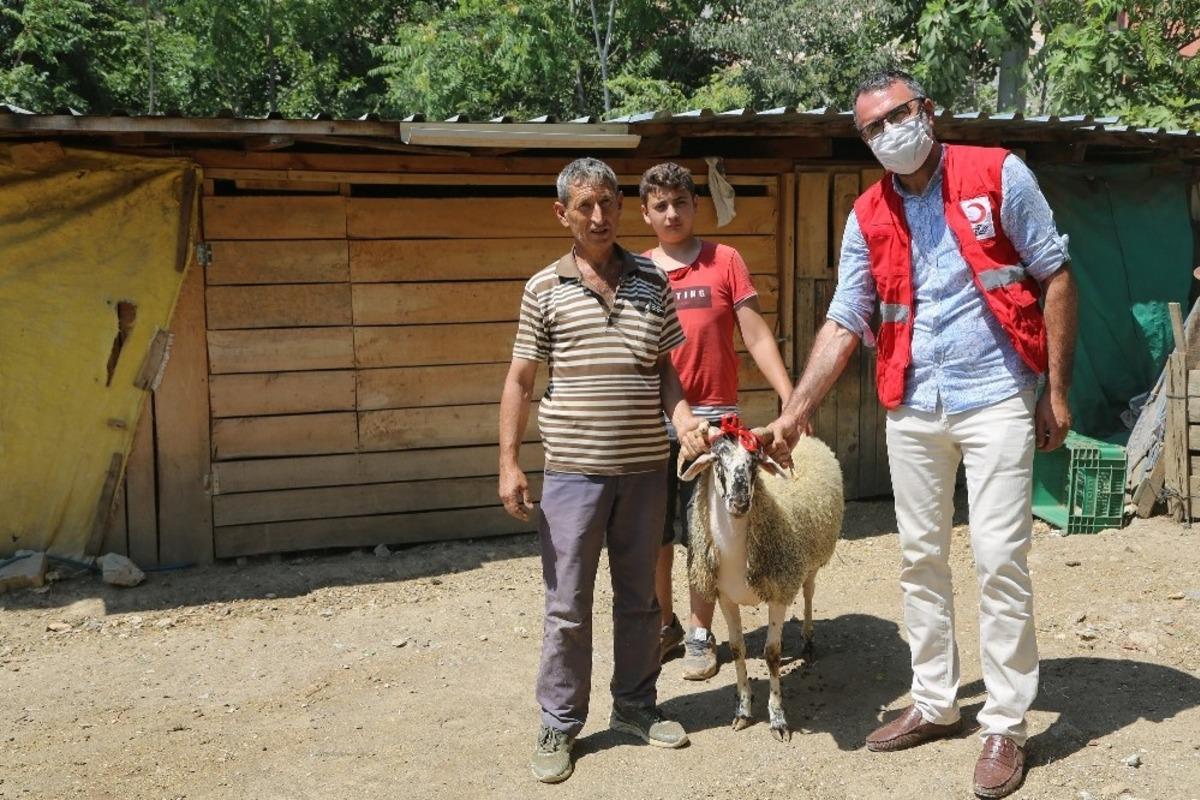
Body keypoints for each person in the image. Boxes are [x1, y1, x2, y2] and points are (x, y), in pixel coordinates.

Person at [764, 70, 1078, 800]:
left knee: (1000, 558)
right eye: (871, 127)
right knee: (919, 558)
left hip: (998, 392)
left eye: (897, 116)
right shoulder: (867, 213)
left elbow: (1055, 273)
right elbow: (848, 316)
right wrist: (797, 409)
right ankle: (935, 700)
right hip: (912, 400)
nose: (888, 134)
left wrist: (1055, 392)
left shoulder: (998, 172)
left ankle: (1004, 722)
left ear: (927, 112)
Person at [498, 157, 709, 785]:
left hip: (646, 468)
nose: (599, 216)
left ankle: (638, 705)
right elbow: (520, 379)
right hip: (573, 475)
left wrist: (686, 418)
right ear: (561, 213)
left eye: (609, 203)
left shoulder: (651, 279)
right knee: (567, 603)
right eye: (585, 206)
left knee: (641, 597)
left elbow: (666, 369)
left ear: (622, 208)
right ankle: (559, 722)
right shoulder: (544, 290)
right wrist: (509, 461)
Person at [638, 162, 793, 679]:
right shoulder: (637, 270)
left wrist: (790, 398)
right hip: (650, 419)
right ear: (645, 213)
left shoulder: (724, 260)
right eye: (660, 205)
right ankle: (666, 627)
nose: (672, 212)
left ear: (695, 206)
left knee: (707, 529)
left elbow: (756, 335)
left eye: (680, 202)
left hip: (713, 420)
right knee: (656, 531)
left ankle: (702, 633)